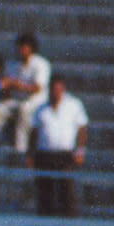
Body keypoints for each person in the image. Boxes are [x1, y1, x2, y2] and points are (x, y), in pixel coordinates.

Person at [28, 76, 88, 216]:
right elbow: (34, 132)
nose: (55, 92)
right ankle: (44, 223)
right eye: (53, 89)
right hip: (45, 155)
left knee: (66, 191)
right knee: (44, 191)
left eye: (58, 89)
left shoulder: (74, 105)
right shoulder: (40, 109)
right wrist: (30, 154)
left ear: (63, 89)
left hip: (65, 155)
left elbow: (82, 129)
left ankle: (68, 222)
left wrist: (80, 150)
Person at [0, 30, 50, 154]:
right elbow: (6, 89)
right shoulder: (12, 65)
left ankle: (20, 148)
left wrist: (17, 85)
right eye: (19, 47)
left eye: (24, 47)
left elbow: (38, 88)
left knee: (25, 109)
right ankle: (1, 144)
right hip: (17, 100)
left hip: (36, 101)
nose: (20, 50)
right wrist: (5, 88)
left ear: (31, 48)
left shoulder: (41, 64)